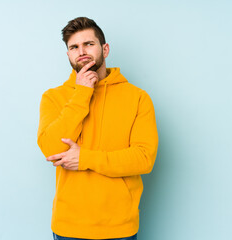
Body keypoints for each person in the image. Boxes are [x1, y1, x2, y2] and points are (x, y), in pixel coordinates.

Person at [37, 17, 159, 240]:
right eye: (74, 47)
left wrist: (84, 158)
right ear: (68, 55)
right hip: (68, 229)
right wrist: (82, 93)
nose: (81, 51)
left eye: (89, 44)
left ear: (105, 48)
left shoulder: (137, 98)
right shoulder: (53, 98)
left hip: (119, 228)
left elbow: (144, 158)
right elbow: (50, 149)